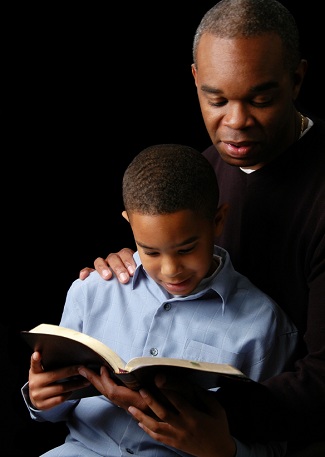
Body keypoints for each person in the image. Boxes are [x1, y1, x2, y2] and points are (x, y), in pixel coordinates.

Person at [79, 0, 325, 455]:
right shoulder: (204, 172)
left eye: (261, 99)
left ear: (297, 79)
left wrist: (205, 425)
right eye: (216, 99)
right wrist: (135, 261)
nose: (235, 123)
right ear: (195, 79)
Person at [21, 144, 298, 457]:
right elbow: (54, 410)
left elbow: (276, 442)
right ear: (129, 223)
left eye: (186, 249)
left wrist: (223, 450)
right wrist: (40, 400)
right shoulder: (92, 291)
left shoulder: (263, 324)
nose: (171, 270)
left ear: (218, 221)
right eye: (151, 251)